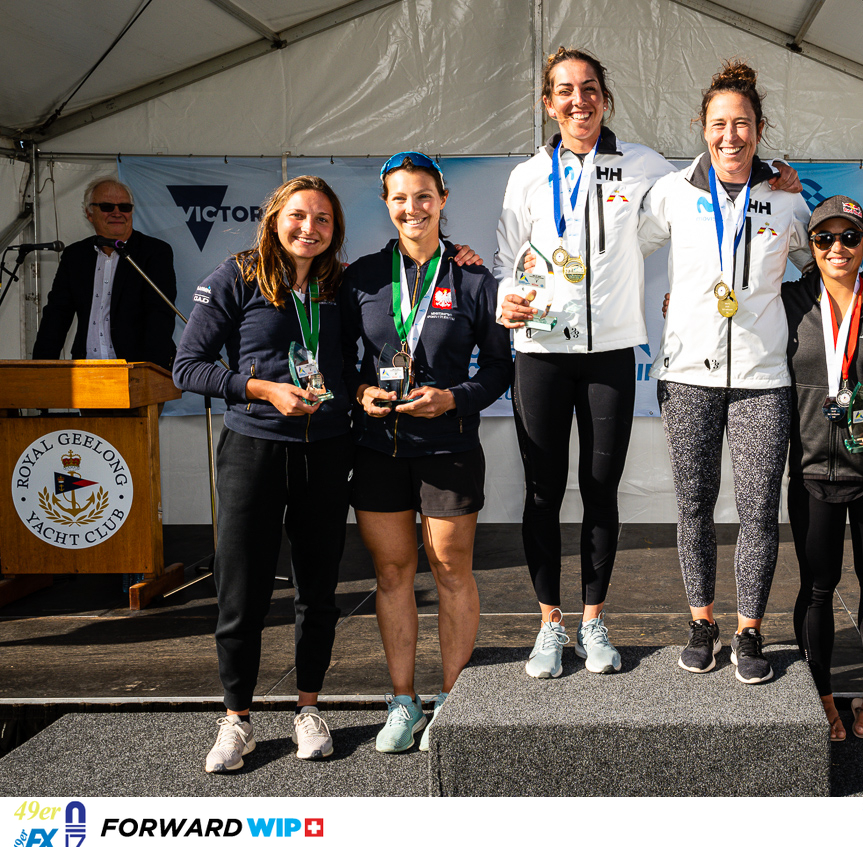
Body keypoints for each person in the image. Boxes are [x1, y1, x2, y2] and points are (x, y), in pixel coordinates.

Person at [497, 48, 801, 680]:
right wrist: (506, 294)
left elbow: (801, 249)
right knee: (547, 493)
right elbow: (515, 258)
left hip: (626, 355)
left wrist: (779, 178)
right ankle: (554, 625)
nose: (578, 101)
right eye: (564, 91)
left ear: (606, 98)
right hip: (548, 352)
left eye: (589, 89)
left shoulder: (649, 168)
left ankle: (606, 623)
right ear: (548, 104)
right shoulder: (532, 176)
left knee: (607, 492)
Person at [173, 175, 357, 773]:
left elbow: (356, 362)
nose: (310, 228)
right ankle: (237, 720)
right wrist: (261, 389)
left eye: (323, 219)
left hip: (325, 451)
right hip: (253, 448)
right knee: (242, 589)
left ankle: (308, 708)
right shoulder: (238, 276)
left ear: (335, 229)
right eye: (298, 215)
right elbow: (187, 367)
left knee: (318, 589)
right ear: (274, 218)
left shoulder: (340, 283)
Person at [640, 60, 811, 684]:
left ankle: (749, 630)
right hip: (688, 373)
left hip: (763, 379)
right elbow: (618, 252)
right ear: (702, 127)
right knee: (694, 506)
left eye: (741, 124)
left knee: (759, 510)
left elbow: (822, 264)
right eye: (718, 124)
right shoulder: (672, 192)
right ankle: (702, 622)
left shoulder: (786, 198)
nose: (729, 136)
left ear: (759, 130)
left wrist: (788, 317)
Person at [344, 152, 511, 752]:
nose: (411, 208)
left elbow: (498, 369)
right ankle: (402, 700)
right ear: (386, 204)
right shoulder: (362, 277)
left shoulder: (472, 279)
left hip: (448, 448)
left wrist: (454, 400)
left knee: (450, 571)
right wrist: (360, 391)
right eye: (399, 198)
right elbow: (340, 363)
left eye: (422, 196)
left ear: (442, 199)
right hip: (377, 448)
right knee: (392, 573)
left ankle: (452, 700)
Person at [783, 195, 863, 739]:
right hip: (813, 469)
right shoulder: (789, 300)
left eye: (850, 237)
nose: (838, 247)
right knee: (817, 586)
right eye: (825, 238)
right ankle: (824, 696)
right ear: (811, 246)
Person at [33, 176, 177, 368]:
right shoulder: (75, 255)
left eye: (124, 207)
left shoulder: (154, 252)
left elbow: (160, 315)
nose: (117, 213)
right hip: (86, 368)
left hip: (136, 368)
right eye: (107, 207)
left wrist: (150, 370)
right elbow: (57, 314)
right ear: (89, 213)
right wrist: (39, 368)